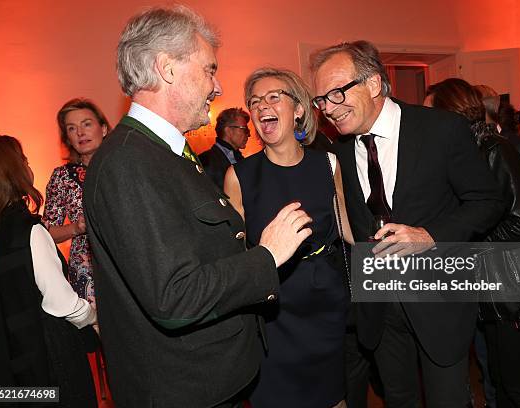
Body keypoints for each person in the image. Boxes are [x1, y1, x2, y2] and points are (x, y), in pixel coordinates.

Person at [83, 6, 313, 407]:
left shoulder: (164, 152)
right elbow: (175, 297)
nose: (218, 86)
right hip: (185, 389)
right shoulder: (128, 164)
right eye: (209, 69)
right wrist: (268, 255)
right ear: (168, 68)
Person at [310, 40, 504, 407]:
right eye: (322, 100)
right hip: (379, 309)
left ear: (372, 84)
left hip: (440, 303)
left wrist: (430, 236)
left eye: (336, 93)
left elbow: (488, 201)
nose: (328, 110)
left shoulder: (442, 129)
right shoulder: (339, 153)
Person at [224, 67, 352, 408]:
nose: (261, 105)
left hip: (324, 301)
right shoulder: (239, 175)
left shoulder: (329, 164)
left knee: (332, 398)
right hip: (272, 310)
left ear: (298, 109)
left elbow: (349, 232)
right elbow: (234, 254)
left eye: (273, 97)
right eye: (254, 101)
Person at [426, 78, 520, 408]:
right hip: (504, 292)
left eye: (429, 114)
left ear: (449, 116)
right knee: (502, 382)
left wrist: (464, 238)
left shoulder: (495, 150)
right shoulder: (467, 153)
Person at [0, 135, 98, 407]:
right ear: (13, 172)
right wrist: (93, 317)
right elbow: (61, 302)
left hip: (10, 360)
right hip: (50, 353)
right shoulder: (31, 231)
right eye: (23, 160)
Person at [42, 98, 110, 300]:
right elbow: (46, 233)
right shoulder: (61, 177)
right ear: (67, 138)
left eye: (86, 124)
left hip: (128, 261)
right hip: (87, 272)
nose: (80, 133)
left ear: (104, 129)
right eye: (72, 128)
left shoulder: (122, 166)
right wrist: (76, 228)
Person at [199, 107, 250, 190]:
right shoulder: (205, 161)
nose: (249, 134)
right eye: (245, 129)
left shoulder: (239, 158)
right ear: (229, 131)